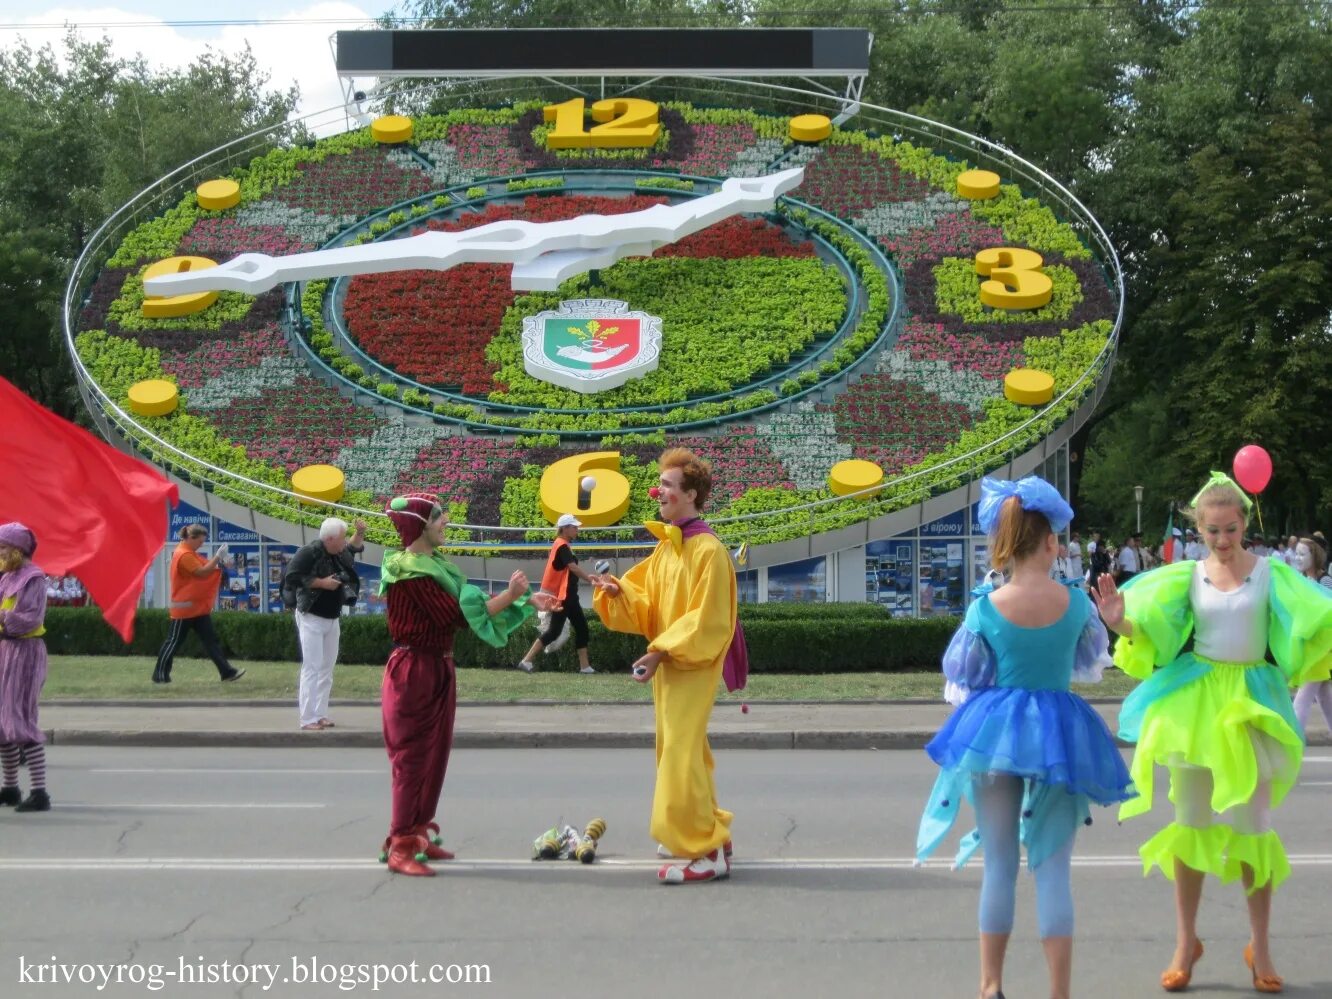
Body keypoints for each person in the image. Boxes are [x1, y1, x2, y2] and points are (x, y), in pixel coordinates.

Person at [1092, 472, 1332, 994]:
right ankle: (1186, 943)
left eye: (1230, 529)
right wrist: (1120, 624)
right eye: (1212, 532)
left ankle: (1260, 947)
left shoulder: (1273, 575)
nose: (1222, 541)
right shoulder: (1188, 576)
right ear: (1198, 530)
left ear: (1245, 524)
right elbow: (1155, 629)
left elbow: (1314, 619)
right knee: (1191, 822)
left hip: (1251, 705)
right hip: (1196, 706)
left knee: (1253, 827)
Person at [917, 478, 1133, 999]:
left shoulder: (986, 608)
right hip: (1060, 731)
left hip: (996, 731)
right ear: (1052, 543)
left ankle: (990, 985)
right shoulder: (1078, 605)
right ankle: (1059, 991)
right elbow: (1089, 663)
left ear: (1007, 544)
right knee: (1054, 867)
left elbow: (965, 677)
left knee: (999, 865)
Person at [591, 447, 748, 885]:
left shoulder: (709, 550)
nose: (657, 490)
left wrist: (660, 650)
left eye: (667, 484)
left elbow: (709, 620)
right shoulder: (668, 549)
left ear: (691, 494)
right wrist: (617, 590)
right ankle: (710, 826)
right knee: (684, 750)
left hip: (692, 665)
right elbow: (646, 602)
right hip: (672, 666)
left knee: (680, 752)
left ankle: (706, 850)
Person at [377, 494, 554, 876]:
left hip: (437, 666)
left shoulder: (435, 565)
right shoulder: (410, 570)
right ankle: (400, 842)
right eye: (438, 517)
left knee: (434, 756)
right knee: (412, 759)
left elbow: (469, 608)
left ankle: (417, 832)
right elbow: (457, 617)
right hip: (414, 670)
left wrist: (524, 599)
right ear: (419, 524)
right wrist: (510, 595)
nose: (446, 522)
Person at [284, 517, 366, 731]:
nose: (344, 542)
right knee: (312, 667)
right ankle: (307, 718)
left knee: (326, 668)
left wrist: (360, 532)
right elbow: (291, 577)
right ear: (329, 539)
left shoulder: (337, 552)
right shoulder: (309, 552)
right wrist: (321, 583)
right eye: (341, 538)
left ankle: (320, 713)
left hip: (332, 617)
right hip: (311, 615)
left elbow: (351, 549)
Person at [0, 523, 52, 812]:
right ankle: (10, 787)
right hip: (5, 650)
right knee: (1, 723)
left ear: (18, 550)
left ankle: (39, 792)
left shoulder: (32, 579)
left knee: (20, 720)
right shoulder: (8, 576)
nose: (0, 552)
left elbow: (29, 619)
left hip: (24, 653)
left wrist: (3, 616)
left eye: (4, 547)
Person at [151, 525, 245, 684]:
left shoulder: (187, 552)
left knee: (211, 641)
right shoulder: (184, 555)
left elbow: (205, 569)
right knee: (173, 642)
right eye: (200, 541)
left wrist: (219, 560)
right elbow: (201, 572)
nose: (201, 545)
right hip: (185, 610)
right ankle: (159, 675)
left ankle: (227, 672)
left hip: (196, 608)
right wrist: (217, 557)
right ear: (191, 537)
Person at [516, 513, 596, 675]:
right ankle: (526, 660)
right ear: (565, 528)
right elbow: (572, 567)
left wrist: (588, 578)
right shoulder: (561, 546)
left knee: (581, 628)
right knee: (554, 631)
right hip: (563, 596)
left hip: (569, 596)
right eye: (574, 527)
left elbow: (569, 569)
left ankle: (585, 667)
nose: (577, 530)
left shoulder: (562, 545)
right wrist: (589, 579)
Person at [1291, 537, 1332, 734]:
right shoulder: (1301, 580)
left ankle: (1291, 745)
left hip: (1322, 650)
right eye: (1296, 553)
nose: (1297, 558)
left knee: (1303, 698)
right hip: (1310, 648)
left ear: (1314, 555)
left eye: (1302, 554)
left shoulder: (1325, 581)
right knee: (1325, 698)